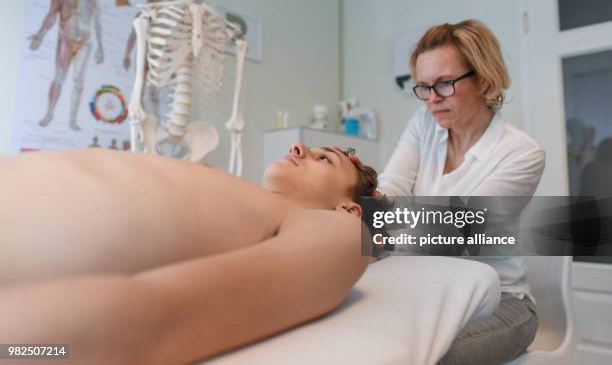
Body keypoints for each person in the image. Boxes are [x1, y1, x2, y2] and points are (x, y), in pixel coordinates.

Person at [0, 143, 376, 365]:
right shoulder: (240, 197)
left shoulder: (341, 228)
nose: (297, 148)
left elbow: (146, 317)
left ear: (350, 209)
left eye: (325, 158)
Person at [377, 20, 545, 365]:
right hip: (430, 289)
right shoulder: (424, 123)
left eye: (445, 83)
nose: (432, 99)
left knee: (421, 358)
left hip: (502, 301)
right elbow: (390, 187)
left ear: (483, 78)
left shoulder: (521, 153)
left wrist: (369, 221)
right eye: (423, 87)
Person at [29, 0, 104, 131]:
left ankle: (72, 120)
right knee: (59, 77)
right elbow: (51, 15)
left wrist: (100, 47)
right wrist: (39, 36)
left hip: (85, 43)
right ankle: (49, 113)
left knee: (79, 82)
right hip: (66, 38)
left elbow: (97, 24)